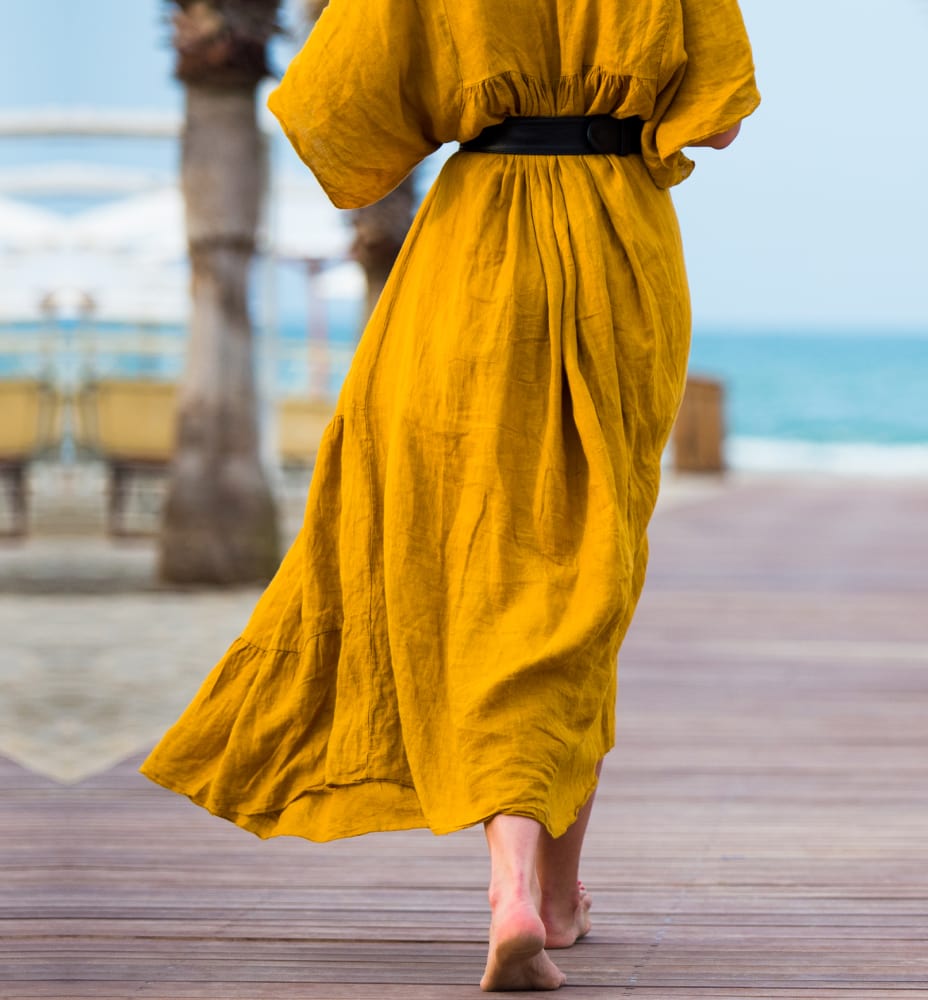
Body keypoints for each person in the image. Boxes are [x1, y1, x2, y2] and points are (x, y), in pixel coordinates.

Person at [138, 0, 759, 990]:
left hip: (470, 258)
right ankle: (548, 899)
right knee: (581, 577)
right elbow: (715, 119)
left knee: (480, 569)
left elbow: (336, 110)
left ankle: (523, 889)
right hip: (616, 246)